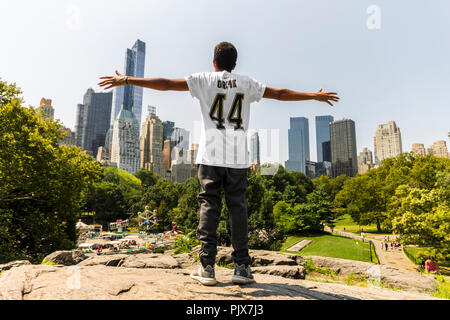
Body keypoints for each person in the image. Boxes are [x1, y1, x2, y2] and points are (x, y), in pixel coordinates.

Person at [98, 41, 339, 286]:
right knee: (238, 208)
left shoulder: (203, 79)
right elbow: (279, 93)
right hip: (238, 158)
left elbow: (167, 84)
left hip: (210, 156)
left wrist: (128, 79)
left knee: (209, 205)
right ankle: (242, 267)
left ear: (214, 62)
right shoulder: (246, 82)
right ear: (235, 64)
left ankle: (207, 267)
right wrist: (313, 96)